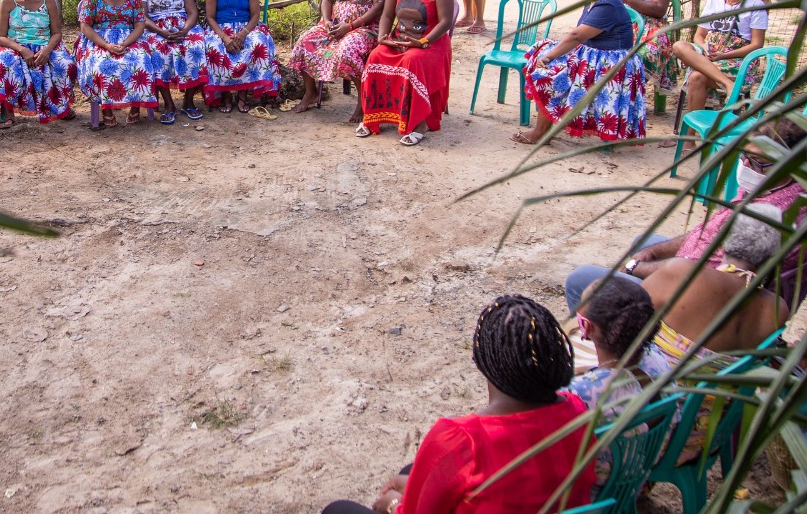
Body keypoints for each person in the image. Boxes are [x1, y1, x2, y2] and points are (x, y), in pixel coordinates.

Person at [322, 296, 595, 514]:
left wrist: (393, 504)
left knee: (338, 509)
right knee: (411, 471)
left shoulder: (462, 441)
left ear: (485, 362)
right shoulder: (577, 410)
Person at [563, 119, 807, 314]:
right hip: (702, 275)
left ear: (791, 164)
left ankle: (609, 344)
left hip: (694, 301)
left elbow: (698, 275)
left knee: (581, 280)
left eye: (758, 162)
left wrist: (635, 267)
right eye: (744, 156)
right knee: (644, 243)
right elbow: (711, 230)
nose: (746, 166)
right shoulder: (776, 187)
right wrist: (654, 253)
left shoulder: (770, 216)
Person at [638, 208, 788, 464]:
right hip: (701, 438)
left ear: (723, 240)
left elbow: (623, 319)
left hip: (648, 431)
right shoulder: (777, 310)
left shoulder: (683, 273)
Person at [514, 0, 647, 145]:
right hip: (596, 54)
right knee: (543, 53)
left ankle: (541, 132)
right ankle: (546, 126)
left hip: (610, 63)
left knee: (549, 73)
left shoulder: (608, 5)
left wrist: (550, 56)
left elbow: (577, 35)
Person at [357, 0, 455, 145]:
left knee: (412, 61)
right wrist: (383, 37)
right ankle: (373, 118)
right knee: (375, 57)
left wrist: (422, 41)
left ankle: (420, 123)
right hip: (399, 40)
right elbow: (387, 15)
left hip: (430, 43)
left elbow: (445, 22)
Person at [289, 0, 389, 121]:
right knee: (304, 42)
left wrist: (351, 26)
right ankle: (310, 92)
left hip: (365, 28)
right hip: (334, 26)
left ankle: (363, 103)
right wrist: (326, 21)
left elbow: (379, 6)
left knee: (347, 51)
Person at [566, 280, 659, 496]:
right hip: (636, 477)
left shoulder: (578, 393)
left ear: (587, 328)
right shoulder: (657, 363)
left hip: (595, 491)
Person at [671, 0, 767, 113]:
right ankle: (727, 83)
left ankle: (691, 130)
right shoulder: (714, 1)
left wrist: (724, 55)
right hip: (710, 54)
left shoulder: (756, 5)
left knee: (696, 77)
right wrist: (705, 48)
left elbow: (757, 45)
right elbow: (699, 35)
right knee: (679, 45)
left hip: (737, 59)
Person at [0, 0, 77, 128]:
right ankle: (9, 111)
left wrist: (47, 50)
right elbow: (0, 37)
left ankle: (61, 106)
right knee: (4, 64)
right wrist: (22, 50)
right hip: (15, 46)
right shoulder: (8, 1)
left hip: (45, 44)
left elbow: (57, 33)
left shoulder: (48, 0)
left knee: (66, 64)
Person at [75, 0, 157, 128]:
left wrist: (125, 43)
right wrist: (106, 45)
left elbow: (139, 25)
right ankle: (107, 110)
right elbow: (85, 27)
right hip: (99, 39)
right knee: (102, 64)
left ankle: (135, 105)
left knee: (140, 61)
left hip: (130, 38)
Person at [202, 0, 281, 113]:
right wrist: (225, 37)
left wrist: (243, 34)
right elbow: (210, 17)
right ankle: (225, 95)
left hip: (247, 26)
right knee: (214, 47)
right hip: (220, 27)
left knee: (257, 44)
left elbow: (255, 15)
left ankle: (242, 95)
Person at [134, 0, 207, 123]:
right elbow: (142, 16)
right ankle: (169, 104)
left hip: (182, 25)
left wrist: (185, 30)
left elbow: (192, 12)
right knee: (158, 51)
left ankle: (188, 101)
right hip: (155, 27)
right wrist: (162, 32)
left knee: (195, 46)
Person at [617, 0, 680, 95]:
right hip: (622, 24)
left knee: (641, 56)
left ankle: (632, 95)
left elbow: (659, 9)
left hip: (651, 26)